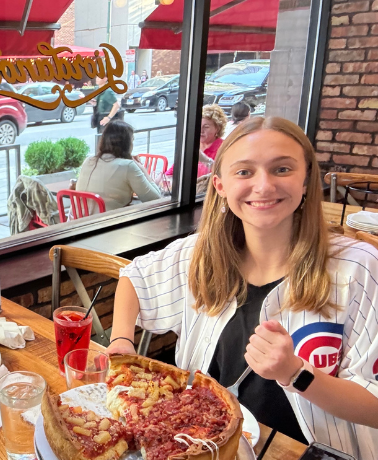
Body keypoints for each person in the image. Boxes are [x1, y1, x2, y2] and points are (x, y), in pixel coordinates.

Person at [107, 117, 378, 457]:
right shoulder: (201, 253)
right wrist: (121, 340)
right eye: (244, 172)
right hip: (205, 443)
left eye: (282, 169)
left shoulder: (359, 267)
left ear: (307, 179)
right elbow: (134, 276)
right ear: (220, 185)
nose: (263, 186)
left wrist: (296, 373)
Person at [76, 120, 162, 213]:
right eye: (132, 140)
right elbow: (155, 199)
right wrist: (142, 169)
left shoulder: (89, 160)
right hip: (110, 223)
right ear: (127, 144)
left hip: (82, 222)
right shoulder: (128, 166)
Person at [165, 104, 226, 178]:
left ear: (217, 128)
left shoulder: (224, 148)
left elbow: (224, 174)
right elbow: (171, 172)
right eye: (198, 126)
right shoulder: (191, 145)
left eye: (206, 127)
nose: (200, 130)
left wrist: (206, 160)